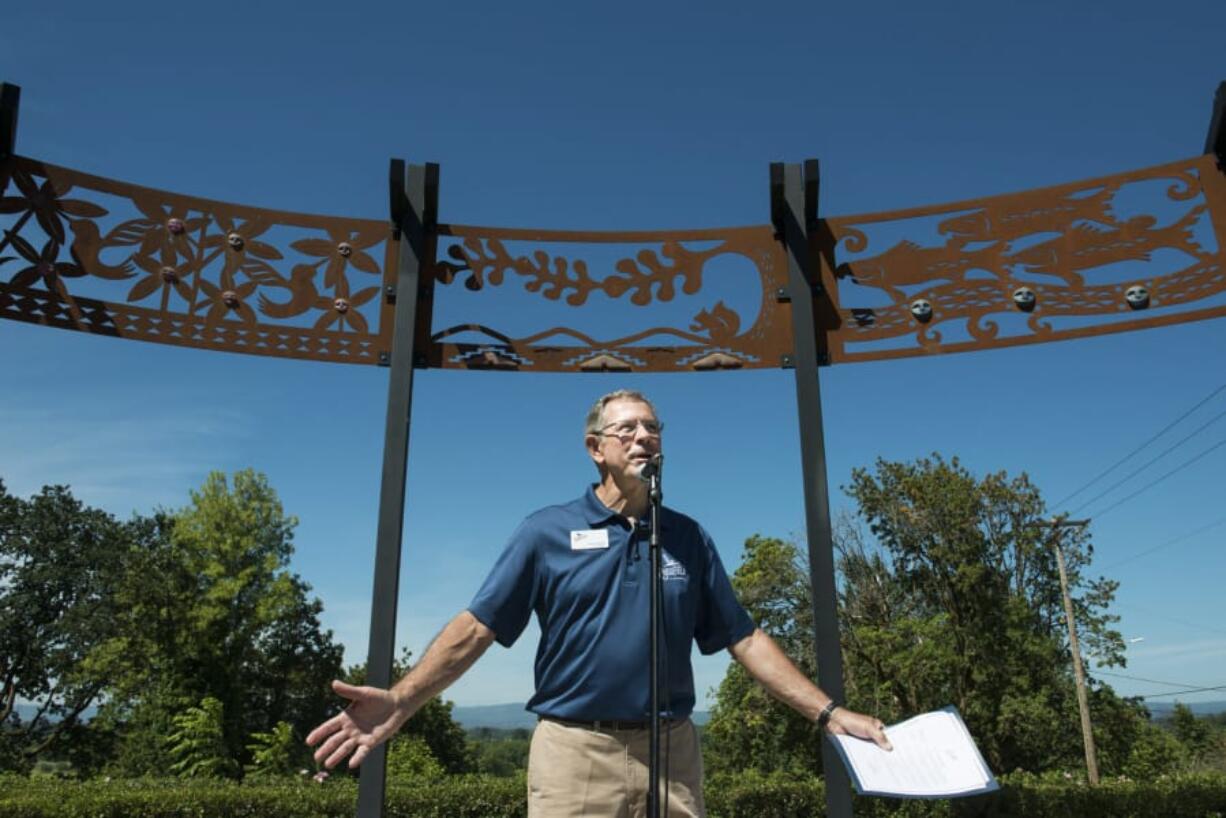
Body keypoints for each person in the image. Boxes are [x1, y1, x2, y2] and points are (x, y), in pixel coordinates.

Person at [307, 389, 891, 817]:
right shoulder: (546, 532)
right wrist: (403, 700)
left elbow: (743, 637)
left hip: (674, 752)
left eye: (653, 427)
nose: (644, 437)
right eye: (628, 429)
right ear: (595, 448)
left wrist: (829, 713)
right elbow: (477, 627)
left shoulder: (687, 536)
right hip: (576, 753)